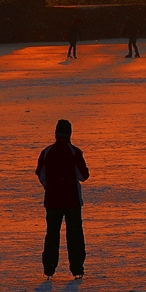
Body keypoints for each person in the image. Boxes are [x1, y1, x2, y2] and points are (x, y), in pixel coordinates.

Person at [35, 119, 90, 278]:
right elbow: (83, 176)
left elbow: (40, 173)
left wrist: (50, 187)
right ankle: (77, 269)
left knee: (52, 234)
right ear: (70, 134)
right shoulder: (74, 152)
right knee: (75, 235)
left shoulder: (47, 152)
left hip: (52, 202)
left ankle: (49, 269)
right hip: (72, 201)